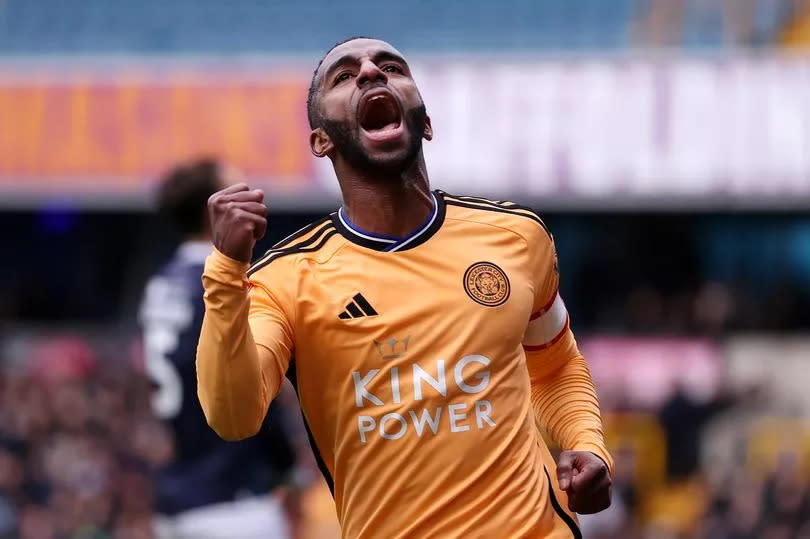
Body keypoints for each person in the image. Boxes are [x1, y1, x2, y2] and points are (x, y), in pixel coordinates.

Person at [197, 37, 613, 538]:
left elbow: (555, 364)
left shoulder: (516, 238)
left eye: (391, 67)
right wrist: (225, 269)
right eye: (344, 76)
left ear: (426, 122)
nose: (371, 72)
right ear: (321, 140)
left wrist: (586, 442)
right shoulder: (284, 281)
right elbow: (233, 417)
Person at [140, 159, 299, 539]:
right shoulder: (217, 287)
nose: (252, 194)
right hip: (233, 499)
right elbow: (249, 384)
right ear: (214, 208)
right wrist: (285, 466)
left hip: (177, 494)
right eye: (237, 188)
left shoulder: (160, 284)